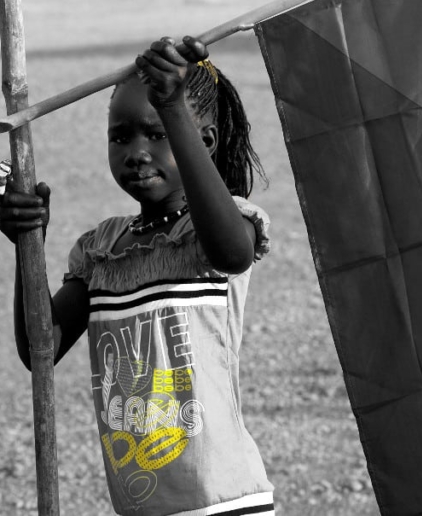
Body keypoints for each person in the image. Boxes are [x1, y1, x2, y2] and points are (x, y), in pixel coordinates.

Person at [1, 36, 275, 516]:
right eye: (121, 136)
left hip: (223, 501)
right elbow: (38, 348)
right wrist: (30, 245)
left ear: (203, 140)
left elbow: (232, 255)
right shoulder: (102, 250)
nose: (137, 152)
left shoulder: (215, 228)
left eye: (158, 133)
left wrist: (172, 104)